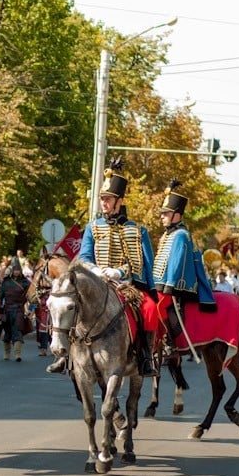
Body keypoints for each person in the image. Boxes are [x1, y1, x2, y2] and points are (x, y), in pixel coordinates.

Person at [75, 157, 159, 375]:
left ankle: (145, 356)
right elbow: (84, 256)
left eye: (108, 198)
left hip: (124, 285)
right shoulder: (92, 227)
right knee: (69, 304)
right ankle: (67, 356)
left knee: (149, 309)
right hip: (97, 282)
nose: (103, 202)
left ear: (119, 201)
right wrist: (95, 271)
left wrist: (120, 271)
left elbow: (141, 263)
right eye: (102, 198)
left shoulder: (137, 230)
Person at [152, 179, 217, 351]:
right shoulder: (167, 235)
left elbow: (176, 264)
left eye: (165, 213)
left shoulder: (181, 235)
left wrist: (169, 287)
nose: (162, 216)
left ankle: (168, 339)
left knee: (156, 306)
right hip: (160, 283)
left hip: (173, 286)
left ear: (176, 215)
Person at [0, 258, 30, 362]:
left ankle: (17, 354)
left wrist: (28, 308)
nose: (16, 271)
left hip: (19, 310)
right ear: (12, 270)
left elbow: (29, 296)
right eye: (15, 270)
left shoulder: (25, 283)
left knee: (18, 331)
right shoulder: (6, 282)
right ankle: (6, 354)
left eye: (18, 270)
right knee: (7, 332)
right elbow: (0, 297)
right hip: (7, 310)